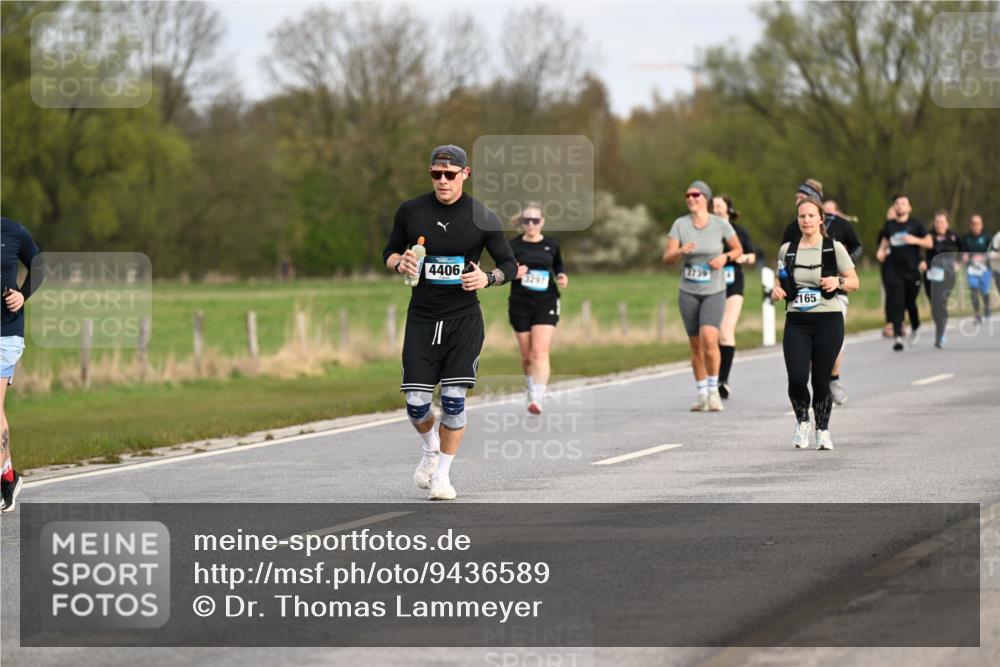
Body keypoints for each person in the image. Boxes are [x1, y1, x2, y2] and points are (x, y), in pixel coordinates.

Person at [383, 145, 516, 501]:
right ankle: (430, 449)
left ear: (465, 174)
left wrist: (488, 279)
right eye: (436, 174)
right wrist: (401, 264)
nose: (443, 181)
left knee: (454, 400)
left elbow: (510, 265)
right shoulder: (411, 211)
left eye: (450, 174)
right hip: (422, 318)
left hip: (463, 319)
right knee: (416, 403)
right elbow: (390, 252)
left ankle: (442, 476)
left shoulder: (482, 216)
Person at [772, 196, 860, 451]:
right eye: (802, 216)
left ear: (821, 218)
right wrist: (776, 291)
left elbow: (854, 281)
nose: (806, 220)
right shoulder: (787, 249)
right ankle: (802, 422)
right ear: (797, 220)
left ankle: (822, 429)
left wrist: (838, 283)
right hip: (797, 321)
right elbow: (782, 282)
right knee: (797, 377)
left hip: (828, 320)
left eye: (811, 216)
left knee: (821, 380)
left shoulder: (833, 248)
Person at [781, 179, 862, 406]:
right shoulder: (792, 228)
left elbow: (857, 249)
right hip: (800, 302)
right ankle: (809, 385)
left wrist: (839, 276)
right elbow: (783, 265)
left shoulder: (840, 227)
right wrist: (781, 289)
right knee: (802, 359)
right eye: (798, 203)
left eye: (803, 199)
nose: (800, 206)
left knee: (830, 347)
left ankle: (832, 378)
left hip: (834, 296)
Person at [663, 180, 742, 412]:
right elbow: (667, 258)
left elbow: (737, 249)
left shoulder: (719, 225)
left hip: (714, 290)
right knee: (696, 344)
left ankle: (714, 391)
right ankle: (702, 394)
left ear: (705, 198)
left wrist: (724, 258)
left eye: (695, 194)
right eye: (687, 195)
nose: (690, 198)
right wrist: (680, 251)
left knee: (710, 339)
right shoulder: (680, 224)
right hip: (688, 291)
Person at [508, 202, 567, 415]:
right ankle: (532, 388)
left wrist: (561, 276)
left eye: (535, 220)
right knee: (526, 356)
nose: (531, 224)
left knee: (539, 352)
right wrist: (514, 272)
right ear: (522, 223)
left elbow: (558, 265)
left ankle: (538, 399)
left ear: (542, 221)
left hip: (546, 301)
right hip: (520, 303)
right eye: (526, 221)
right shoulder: (513, 246)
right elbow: (504, 270)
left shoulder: (551, 244)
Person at [1, 217, 42, 512]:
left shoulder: (12, 231)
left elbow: (39, 264)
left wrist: (22, 295)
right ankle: (8, 477)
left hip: (5, 334)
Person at [710, 195, 756, 399]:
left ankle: (723, 381)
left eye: (719, 206)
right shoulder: (708, 232)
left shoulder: (739, 232)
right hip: (711, 286)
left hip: (733, 284)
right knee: (712, 334)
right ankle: (713, 378)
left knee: (726, 330)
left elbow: (752, 255)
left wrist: (741, 257)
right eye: (713, 207)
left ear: (728, 209)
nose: (716, 209)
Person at [876, 194, 930, 351]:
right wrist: (881, 252)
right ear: (894, 207)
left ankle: (915, 326)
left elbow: (929, 242)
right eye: (897, 203)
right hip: (894, 269)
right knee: (896, 301)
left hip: (912, 270)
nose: (900, 206)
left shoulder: (916, 224)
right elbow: (885, 243)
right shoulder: (889, 225)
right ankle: (898, 336)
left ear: (909, 207)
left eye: (903, 203)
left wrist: (915, 240)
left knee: (910, 302)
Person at [921, 210, 961, 349]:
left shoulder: (953, 236)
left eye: (942, 222)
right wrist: (922, 261)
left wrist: (958, 262)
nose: (939, 225)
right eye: (937, 222)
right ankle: (940, 327)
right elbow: (917, 250)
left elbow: (964, 249)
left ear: (947, 223)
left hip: (948, 274)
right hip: (931, 274)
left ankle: (940, 336)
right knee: (934, 305)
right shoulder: (928, 235)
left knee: (941, 302)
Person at [961, 214, 993, 323]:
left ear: (981, 225)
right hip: (971, 269)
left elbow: (993, 253)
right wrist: (965, 256)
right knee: (973, 289)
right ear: (970, 225)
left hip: (985, 269)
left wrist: (983, 257)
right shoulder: (966, 238)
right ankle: (977, 313)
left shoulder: (987, 237)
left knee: (984, 290)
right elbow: (963, 251)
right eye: (973, 224)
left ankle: (987, 307)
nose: (976, 226)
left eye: (978, 224)